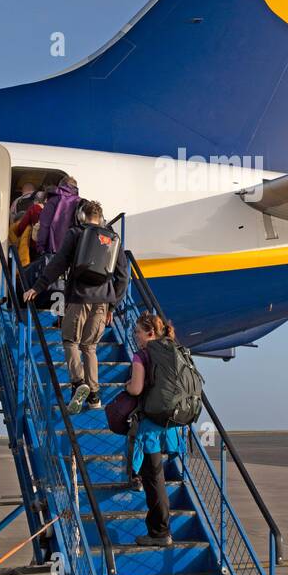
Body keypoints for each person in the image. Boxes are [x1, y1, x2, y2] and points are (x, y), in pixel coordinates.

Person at [23, 201, 128, 414]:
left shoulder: (75, 233)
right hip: (102, 303)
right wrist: (112, 306)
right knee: (90, 347)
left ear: (81, 216)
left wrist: (37, 287)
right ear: (101, 218)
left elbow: (58, 263)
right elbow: (123, 276)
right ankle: (94, 396)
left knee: (70, 341)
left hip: (79, 298)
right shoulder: (113, 239)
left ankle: (77, 382)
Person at [123, 312, 181, 547]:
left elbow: (136, 389)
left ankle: (159, 532)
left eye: (137, 331)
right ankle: (162, 529)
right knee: (157, 477)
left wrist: (127, 386)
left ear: (150, 333)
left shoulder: (142, 356)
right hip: (166, 425)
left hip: (148, 427)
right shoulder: (170, 352)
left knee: (154, 480)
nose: (135, 335)